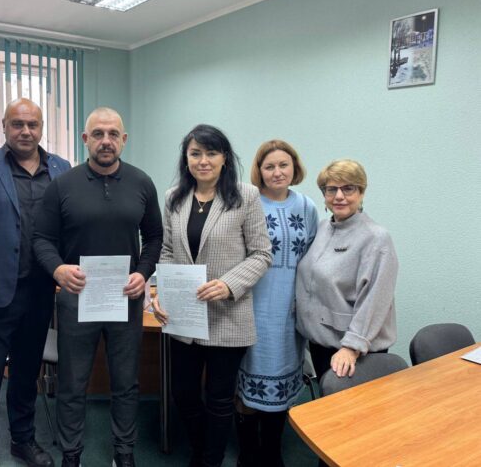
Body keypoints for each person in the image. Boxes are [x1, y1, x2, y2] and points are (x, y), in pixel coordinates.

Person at [33, 107, 163, 467]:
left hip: (126, 298)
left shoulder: (142, 183)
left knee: (126, 382)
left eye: (113, 134)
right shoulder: (63, 185)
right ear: (85, 139)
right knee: (73, 383)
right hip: (77, 299)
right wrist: (58, 269)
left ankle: (124, 451)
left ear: (124, 139)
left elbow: (154, 237)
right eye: (98, 134)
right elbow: (41, 239)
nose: (106, 141)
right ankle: (71, 453)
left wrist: (144, 272)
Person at [0, 98, 71, 467]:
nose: (25, 131)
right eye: (17, 124)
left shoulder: (61, 168)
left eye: (32, 124)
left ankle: (23, 440)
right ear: (4, 126)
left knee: (26, 372)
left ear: (41, 128)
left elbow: (68, 227)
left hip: (41, 291)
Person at [152, 124, 272, 467]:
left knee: (219, 399)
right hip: (184, 316)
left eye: (211, 153)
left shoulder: (246, 196)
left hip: (227, 316)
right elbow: (168, 252)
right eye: (195, 153)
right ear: (186, 159)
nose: (203, 160)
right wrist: (161, 291)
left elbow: (262, 254)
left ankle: (210, 460)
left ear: (224, 159)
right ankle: (200, 448)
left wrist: (229, 284)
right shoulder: (173, 197)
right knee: (184, 394)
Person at [235, 140, 319, 467]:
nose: (277, 172)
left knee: (282, 380)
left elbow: (312, 259)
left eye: (284, 165)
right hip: (251, 306)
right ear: (260, 171)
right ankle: (247, 450)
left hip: (289, 310)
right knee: (249, 379)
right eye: (269, 166)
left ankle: (272, 450)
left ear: (294, 167)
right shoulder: (247, 203)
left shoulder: (307, 207)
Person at [296, 159, 398, 382]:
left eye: (348, 188)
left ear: (361, 192)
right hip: (321, 342)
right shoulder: (322, 228)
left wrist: (352, 347)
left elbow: (376, 299)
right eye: (331, 189)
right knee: (325, 400)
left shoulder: (376, 238)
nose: (339, 196)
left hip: (354, 351)